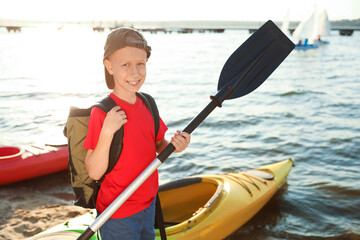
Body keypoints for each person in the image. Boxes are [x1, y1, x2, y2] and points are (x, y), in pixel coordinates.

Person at [83, 27, 191, 240]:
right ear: (109, 66)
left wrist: (175, 145)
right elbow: (95, 172)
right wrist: (107, 131)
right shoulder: (103, 112)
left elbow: (158, 145)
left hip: (148, 203)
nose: (135, 73)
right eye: (126, 65)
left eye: (140, 64)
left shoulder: (148, 103)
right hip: (117, 212)